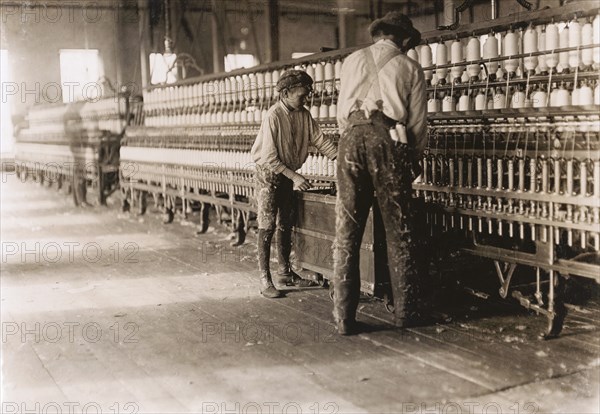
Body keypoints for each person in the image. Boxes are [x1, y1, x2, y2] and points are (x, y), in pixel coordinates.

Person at [333, 11, 428, 334]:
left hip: (349, 140)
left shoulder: (351, 61)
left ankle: (344, 318)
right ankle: (405, 315)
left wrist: (354, 138)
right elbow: (416, 125)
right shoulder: (410, 67)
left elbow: (340, 116)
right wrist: (411, 161)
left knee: (346, 230)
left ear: (378, 35)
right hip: (387, 143)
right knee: (398, 230)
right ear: (403, 39)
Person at [251, 70, 338, 298]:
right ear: (286, 93)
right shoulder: (273, 116)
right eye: (302, 95)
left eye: (307, 95)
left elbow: (320, 140)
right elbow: (269, 158)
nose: (305, 99)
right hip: (268, 175)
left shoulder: (304, 114)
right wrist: (295, 177)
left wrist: (341, 159)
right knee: (267, 225)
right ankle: (265, 280)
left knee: (287, 223)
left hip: (288, 174)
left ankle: (286, 273)